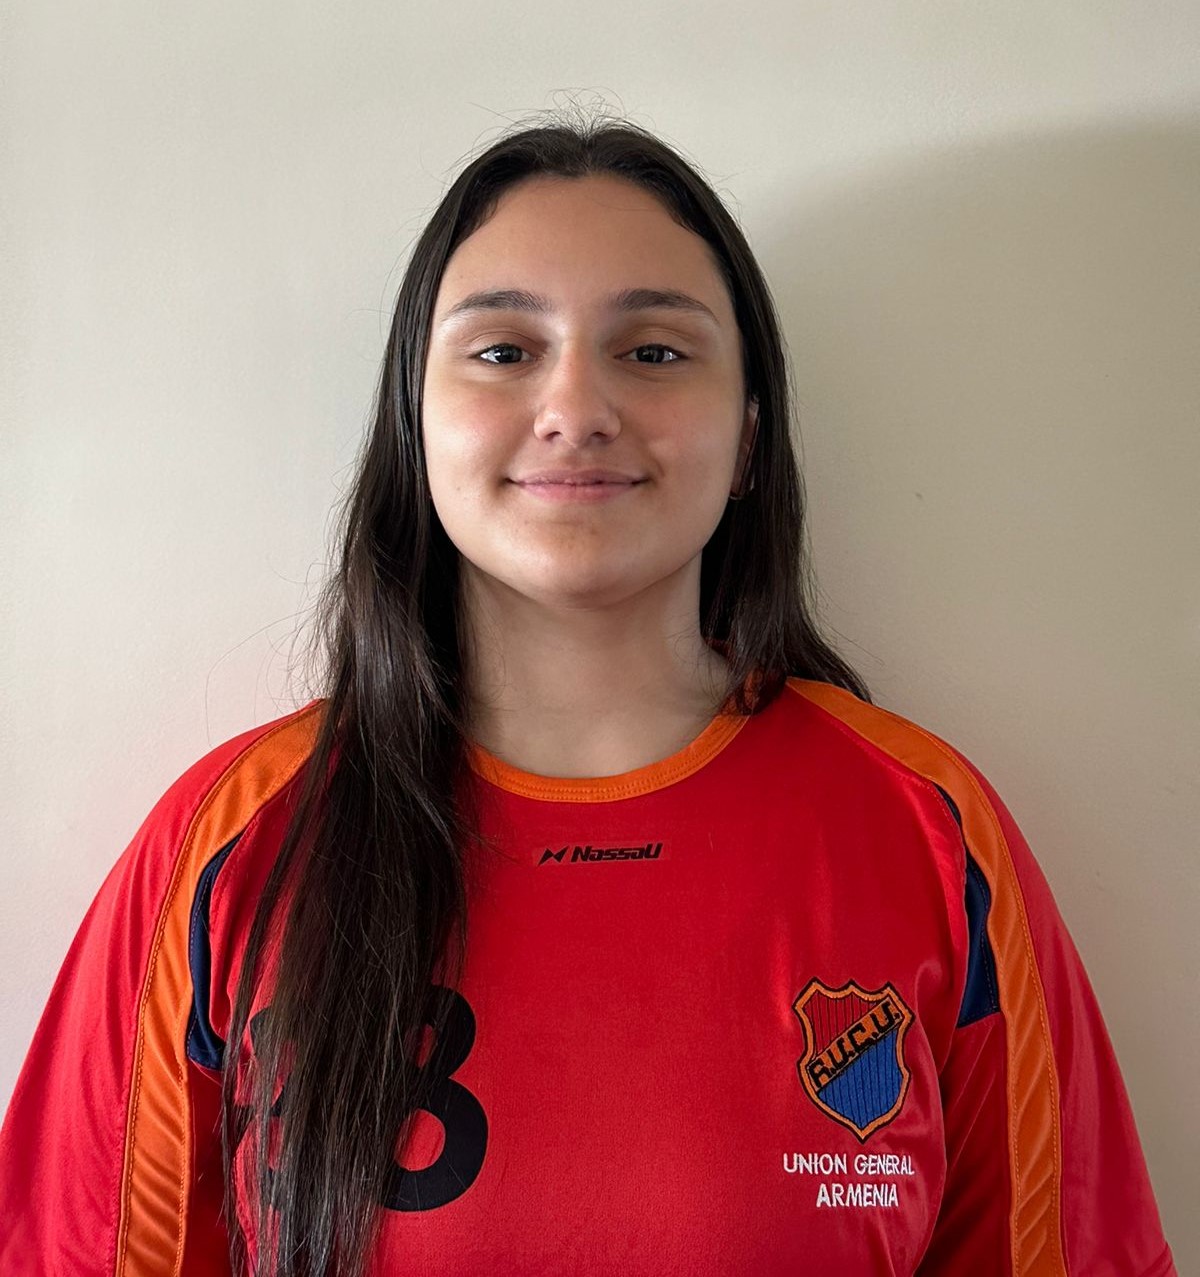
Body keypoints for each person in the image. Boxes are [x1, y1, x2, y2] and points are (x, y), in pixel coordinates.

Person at [0, 110, 1177, 1277]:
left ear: (750, 435)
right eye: (503, 351)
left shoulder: (928, 829)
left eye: (654, 352)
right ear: (417, 423)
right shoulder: (231, 847)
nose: (576, 409)